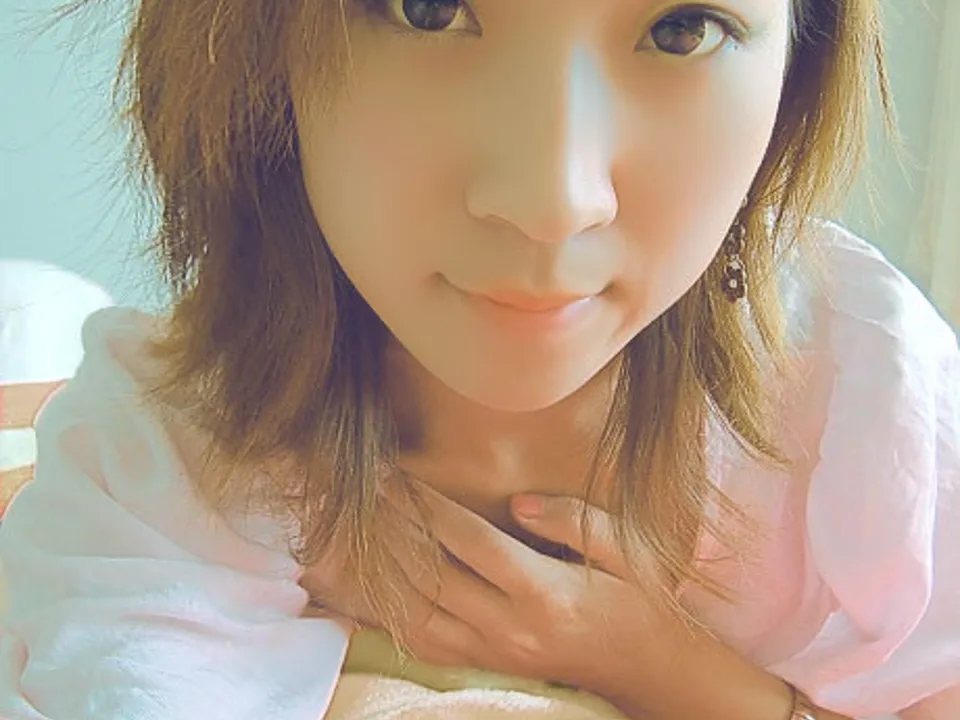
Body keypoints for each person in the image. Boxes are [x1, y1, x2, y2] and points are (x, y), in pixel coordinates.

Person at [0, 0, 957, 718]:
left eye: (682, 29)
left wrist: (666, 667)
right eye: (428, 8)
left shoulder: (866, 404)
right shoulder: (167, 454)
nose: (553, 202)